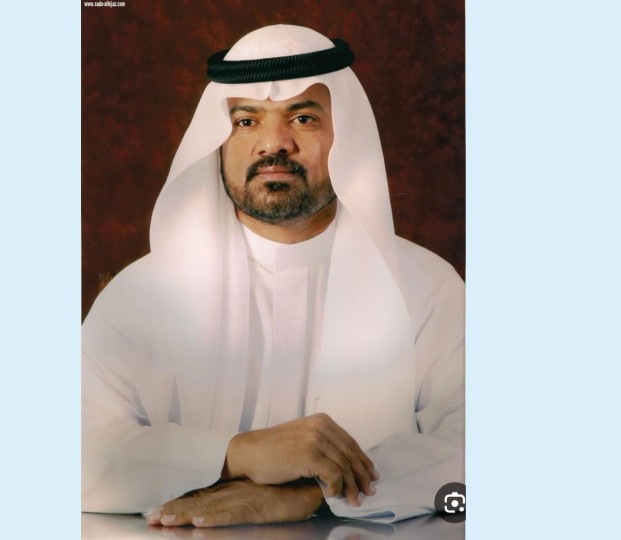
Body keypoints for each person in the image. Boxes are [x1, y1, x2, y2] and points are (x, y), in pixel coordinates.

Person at [82, 24, 464, 527]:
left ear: (346, 137)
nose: (273, 143)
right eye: (246, 121)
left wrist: (312, 495)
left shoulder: (427, 287)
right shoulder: (141, 294)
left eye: (303, 118)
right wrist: (235, 454)